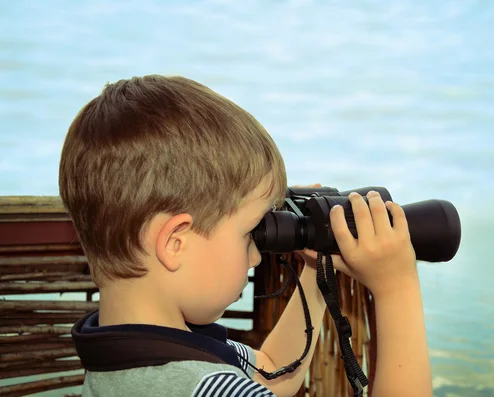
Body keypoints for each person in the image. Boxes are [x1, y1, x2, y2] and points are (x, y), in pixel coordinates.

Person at [59, 75, 432, 397]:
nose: (256, 256)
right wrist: (397, 288)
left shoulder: (124, 349)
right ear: (176, 242)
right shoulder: (208, 387)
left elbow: (271, 372)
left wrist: (317, 272)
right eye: (248, 233)